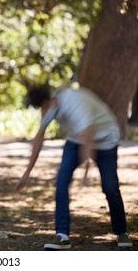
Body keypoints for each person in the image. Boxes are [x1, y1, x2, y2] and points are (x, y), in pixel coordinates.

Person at [16, 84, 133, 250]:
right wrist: (27, 172)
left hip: (106, 140)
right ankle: (62, 235)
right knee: (61, 181)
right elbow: (39, 137)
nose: (43, 112)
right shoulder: (51, 105)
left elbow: (88, 138)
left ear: (48, 101)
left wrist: (86, 172)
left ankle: (122, 232)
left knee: (110, 187)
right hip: (76, 140)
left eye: (43, 108)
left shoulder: (73, 103)